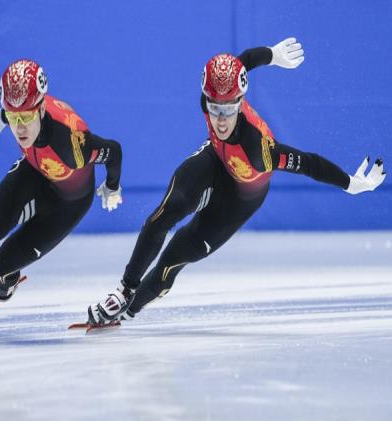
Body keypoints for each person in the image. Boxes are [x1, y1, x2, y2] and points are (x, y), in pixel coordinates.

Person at [86, 37, 387, 325]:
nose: (220, 119)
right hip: (216, 162)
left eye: (229, 109)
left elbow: (307, 163)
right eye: (214, 107)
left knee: (175, 256)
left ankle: (130, 311)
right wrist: (271, 54)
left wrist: (350, 183)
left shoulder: (259, 150)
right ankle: (125, 291)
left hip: (239, 200)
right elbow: (244, 61)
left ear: (241, 102)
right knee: (164, 215)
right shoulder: (217, 91)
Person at [0, 59, 123, 330]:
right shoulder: (21, 109)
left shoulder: (73, 144)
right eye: (13, 117)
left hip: (68, 204)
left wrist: (112, 185)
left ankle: (1, 290)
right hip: (34, 174)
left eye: (26, 118)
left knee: (4, 264)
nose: (19, 128)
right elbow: (16, 109)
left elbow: (115, 150)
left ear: (40, 109)